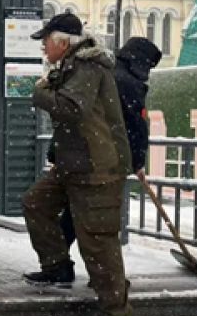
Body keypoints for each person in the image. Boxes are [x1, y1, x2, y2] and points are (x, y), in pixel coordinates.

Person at [21, 14, 133, 316]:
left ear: (61, 42)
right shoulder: (71, 66)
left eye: (46, 41)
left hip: (96, 168)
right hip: (74, 164)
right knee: (36, 203)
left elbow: (73, 109)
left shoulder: (87, 67)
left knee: (97, 240)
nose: (43, 47)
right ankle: (57, 267)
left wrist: (40, 93)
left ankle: (115, 315)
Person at [58, 36, 163, 248]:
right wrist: (137, 161)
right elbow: (136, 126)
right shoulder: (131, 84)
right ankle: (103, 277)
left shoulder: (106, 72)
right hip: (108, 159)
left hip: (83, 153)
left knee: (75, 210)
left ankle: (58, 262)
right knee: (98, 219)